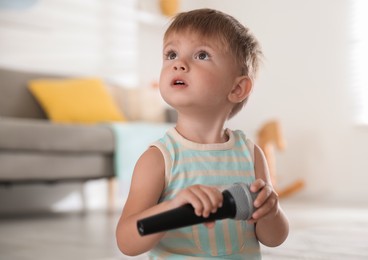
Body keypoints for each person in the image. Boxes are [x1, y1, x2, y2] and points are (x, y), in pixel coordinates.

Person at [116, 8, 289, 259]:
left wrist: (271, 212)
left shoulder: (251, 155)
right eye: (171, 54)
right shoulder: (158, 159)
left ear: (237, 88)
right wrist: (172, 208)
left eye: (201, 55)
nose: (179, 63)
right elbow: (126, 241)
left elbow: (274, 238)